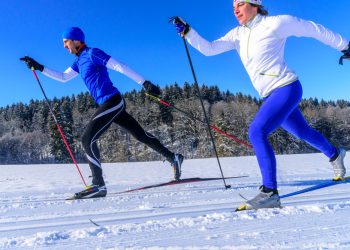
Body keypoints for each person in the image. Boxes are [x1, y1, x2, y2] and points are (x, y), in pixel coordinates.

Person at [171, 0, 350, 210]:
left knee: (257, 131)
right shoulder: (237, 34)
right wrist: (189, 32)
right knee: (302, 132)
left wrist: (344, 45)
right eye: (233, 7)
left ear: (255, 4)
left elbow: (312, 29)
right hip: (269, 95)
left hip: (287, 87)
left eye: (240, 4)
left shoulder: (275, 23)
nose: (235, 10)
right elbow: (209, 49)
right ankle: (335, 154)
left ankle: (270, 192)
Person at [21, 27, 184, 199]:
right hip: (108, 103)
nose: (64, 46)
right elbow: (63, 77)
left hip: (112, 101)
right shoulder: (79, 61)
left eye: (66, 42)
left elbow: (120, 66)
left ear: (76, 40)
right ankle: (173, 157)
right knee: (140, 135)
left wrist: (145, 83)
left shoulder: (92, 53)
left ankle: (98, 184)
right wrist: (39, 67)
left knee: (87, 138)